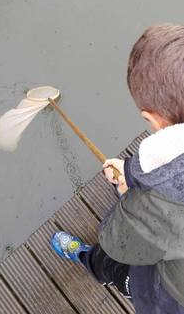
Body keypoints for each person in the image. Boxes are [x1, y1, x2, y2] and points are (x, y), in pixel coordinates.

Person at [50, 24, 184, 313]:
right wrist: (132, 176)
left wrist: (130, 196)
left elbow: (117, 240)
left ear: (153, 119)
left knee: (112, 264)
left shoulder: (156, 212)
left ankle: (91, 263)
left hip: (166, 295)